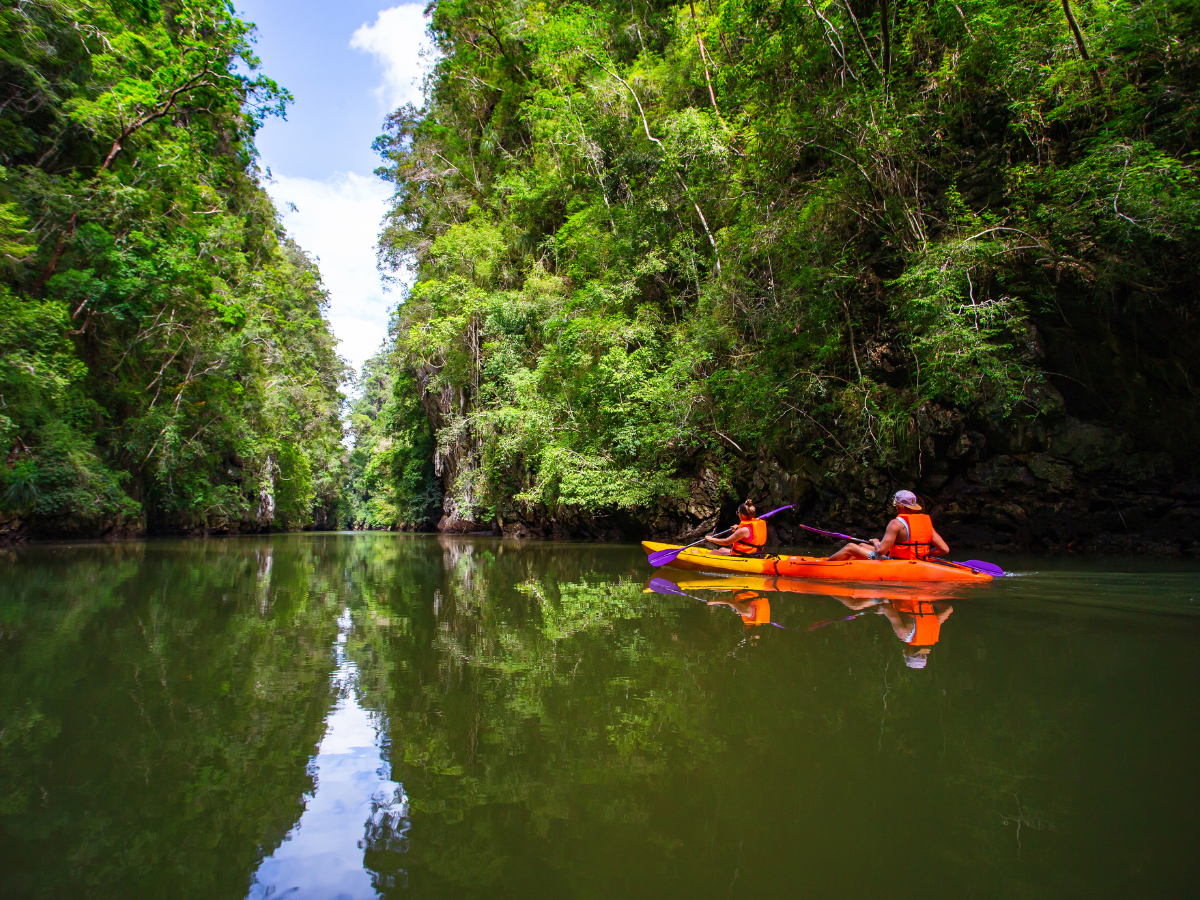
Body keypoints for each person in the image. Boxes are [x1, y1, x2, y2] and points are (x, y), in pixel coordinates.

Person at [826, 490, 948, 562]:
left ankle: (824, 566)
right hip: (916, 560)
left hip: (896, 562)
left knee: (850, 547)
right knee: (862, 545)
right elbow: (944, 549)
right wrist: (924, 556)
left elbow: (881, 551)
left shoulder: (895, 523)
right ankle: (847, 568)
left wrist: (876, 541)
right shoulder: (925, 523)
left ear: (900, 506)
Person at [704, 499, 769, 556]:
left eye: (738, 513)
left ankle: (699, 556)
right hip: (755, 553)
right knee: (722, 549)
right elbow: (748, 535)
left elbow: (726, 542)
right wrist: (738, 528)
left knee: (715, 551)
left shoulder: (743, 530)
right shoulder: (750, 526)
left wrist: (711, 539)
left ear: (742, 515)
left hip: (747, 556)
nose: (738, 515)